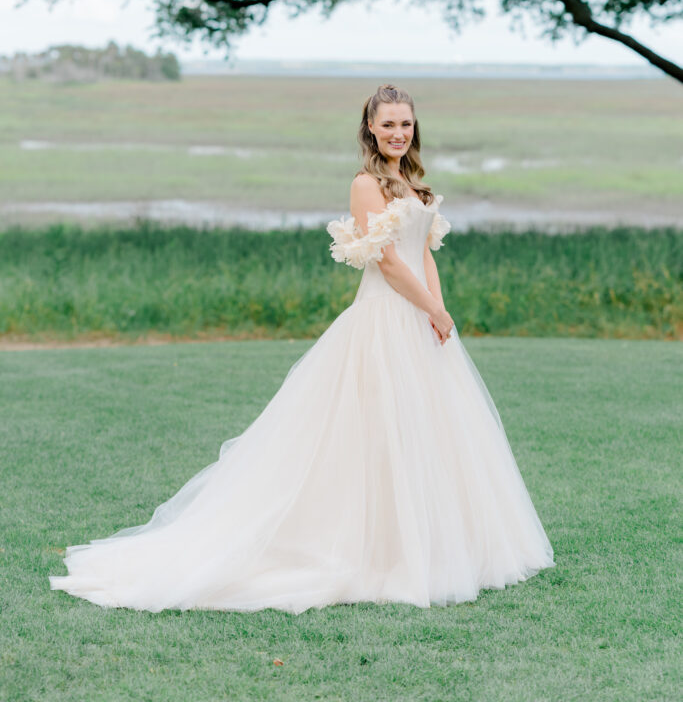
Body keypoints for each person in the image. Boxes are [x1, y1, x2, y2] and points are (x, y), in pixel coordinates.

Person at [49, 84, 554, 613]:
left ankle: (434, 545)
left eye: (405, 124)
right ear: (370, 129)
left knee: (429, 433)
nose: (398, 134)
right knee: (372, 434)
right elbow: (386, 261)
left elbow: (425, 254)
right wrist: (431, 307)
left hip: (421, 320)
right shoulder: (366, 184)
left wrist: (437, 312)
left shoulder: (414, 185)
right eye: (388, 126)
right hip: (383, 320)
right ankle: (370, 550)